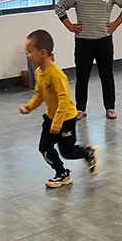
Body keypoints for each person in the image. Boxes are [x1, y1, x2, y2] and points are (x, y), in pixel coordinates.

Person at [19, 29, 102, 188]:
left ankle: (88, 153)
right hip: (51, 118)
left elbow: (64, 100)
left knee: (67, 151)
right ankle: (62, 174)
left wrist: (57, 123)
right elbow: (39, 94)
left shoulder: (56, 74)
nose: (27, 55)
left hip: (65, 119)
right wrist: (29, 107)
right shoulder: (38, 72)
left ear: (43, 52)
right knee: (45, 149)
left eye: (29, 51)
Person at [55, 0, 122, 120]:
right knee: (82, 76)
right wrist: (69, 26)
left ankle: (110, 107)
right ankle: (80, 108)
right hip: (83, 42)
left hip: (104, 41)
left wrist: (115, 24)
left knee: (107, 75)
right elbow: (60, 7)